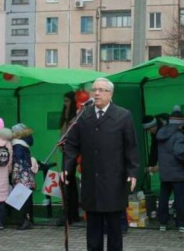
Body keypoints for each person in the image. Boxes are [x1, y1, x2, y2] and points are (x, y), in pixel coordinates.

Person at [63, 78, 139, 251]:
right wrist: (67, 168)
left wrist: (132, 172)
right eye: (94, 89)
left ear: (110, 94)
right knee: (93, 232)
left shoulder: (123, 115)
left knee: (114, 231)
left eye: (101, 90)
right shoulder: (83, 115)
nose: (96, 93)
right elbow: (71, 145)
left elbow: (131, 147)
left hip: (114, 181)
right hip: (91, 182)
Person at [156, 108, 184, 233]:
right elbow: (179, 152)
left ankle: (163, 223)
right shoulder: (179, 135)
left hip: (164, 172)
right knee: (180, 198)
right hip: (177, 173)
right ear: (180, 123)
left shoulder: (160, 132)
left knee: (163, 198)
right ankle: (181, 224)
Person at [56, 91, 80, 227]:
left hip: (72, 152)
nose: (65, 104)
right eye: (64, 102)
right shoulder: (66, 116)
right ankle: (71, 213)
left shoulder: (75, 116)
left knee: (67, 182)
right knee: (68, 183)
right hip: (66, 150)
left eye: (67, 101)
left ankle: (70, 214)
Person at [11, 123, 38, 230]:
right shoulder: (25, 144)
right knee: (28, 198)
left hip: (21, 176)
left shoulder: (17, 145)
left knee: (22, 200)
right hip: (28, 175)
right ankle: (30, 219)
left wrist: (15, 175)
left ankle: (24, 221)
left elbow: (17, 161)